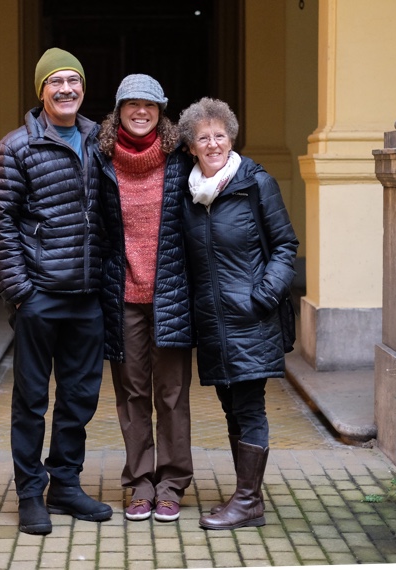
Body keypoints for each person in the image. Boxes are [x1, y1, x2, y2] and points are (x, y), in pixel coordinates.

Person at [0, 47, 112, 536]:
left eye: (73, 80)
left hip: (87, 295)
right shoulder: (16, 148)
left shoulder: (99, 140)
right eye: (55, 81)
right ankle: (30, 494)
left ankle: (65, 485)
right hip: (40, 296)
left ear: (83, 88)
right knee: (31, 401)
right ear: (41, 91)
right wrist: (21, 292)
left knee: (79, 398)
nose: (65, 89)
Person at [177, 97, 299, 530]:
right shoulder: (189, 194)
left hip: (252, 318)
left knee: (248, 407)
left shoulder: (256, 184)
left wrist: (263, 297)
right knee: (231, 407)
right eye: (203, 137)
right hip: (213, 322)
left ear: (231, 139)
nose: (213, 144)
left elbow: (285, 245)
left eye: (220, 135)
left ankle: (248, 502)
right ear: (190, 147)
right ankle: (247, 497)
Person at [97, 74, 195, 523]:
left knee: (171, 394)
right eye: (132, 104)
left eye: (150, 105)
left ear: (161, 111)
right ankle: (140, 483)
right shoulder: (100, 160)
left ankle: (171, 483)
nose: (141, 111)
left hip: (171, 293)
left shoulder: (180, 160)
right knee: (132, 393)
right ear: (118, 111)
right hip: (122, 297)